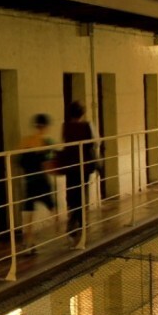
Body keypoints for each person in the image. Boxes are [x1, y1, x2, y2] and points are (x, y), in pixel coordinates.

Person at [59, 101, 98, 243]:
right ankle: (78, 221)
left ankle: (74, 220)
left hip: (70, 166)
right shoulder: (87, 125)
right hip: (84, 165)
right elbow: (96, 141)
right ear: (82, 113)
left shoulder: (66, 126)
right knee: (82, 192)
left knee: (72, 192)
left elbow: (65, 143)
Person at [16, 114, 56, 251]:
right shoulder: (47, 143)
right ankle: (66, 234)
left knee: (28, 212)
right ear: (45, 126)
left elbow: (18, 161)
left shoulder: (25, 141)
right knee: (52, 207)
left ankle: (28, 241)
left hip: (29, 180)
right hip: (42, 180)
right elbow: (48, 164)